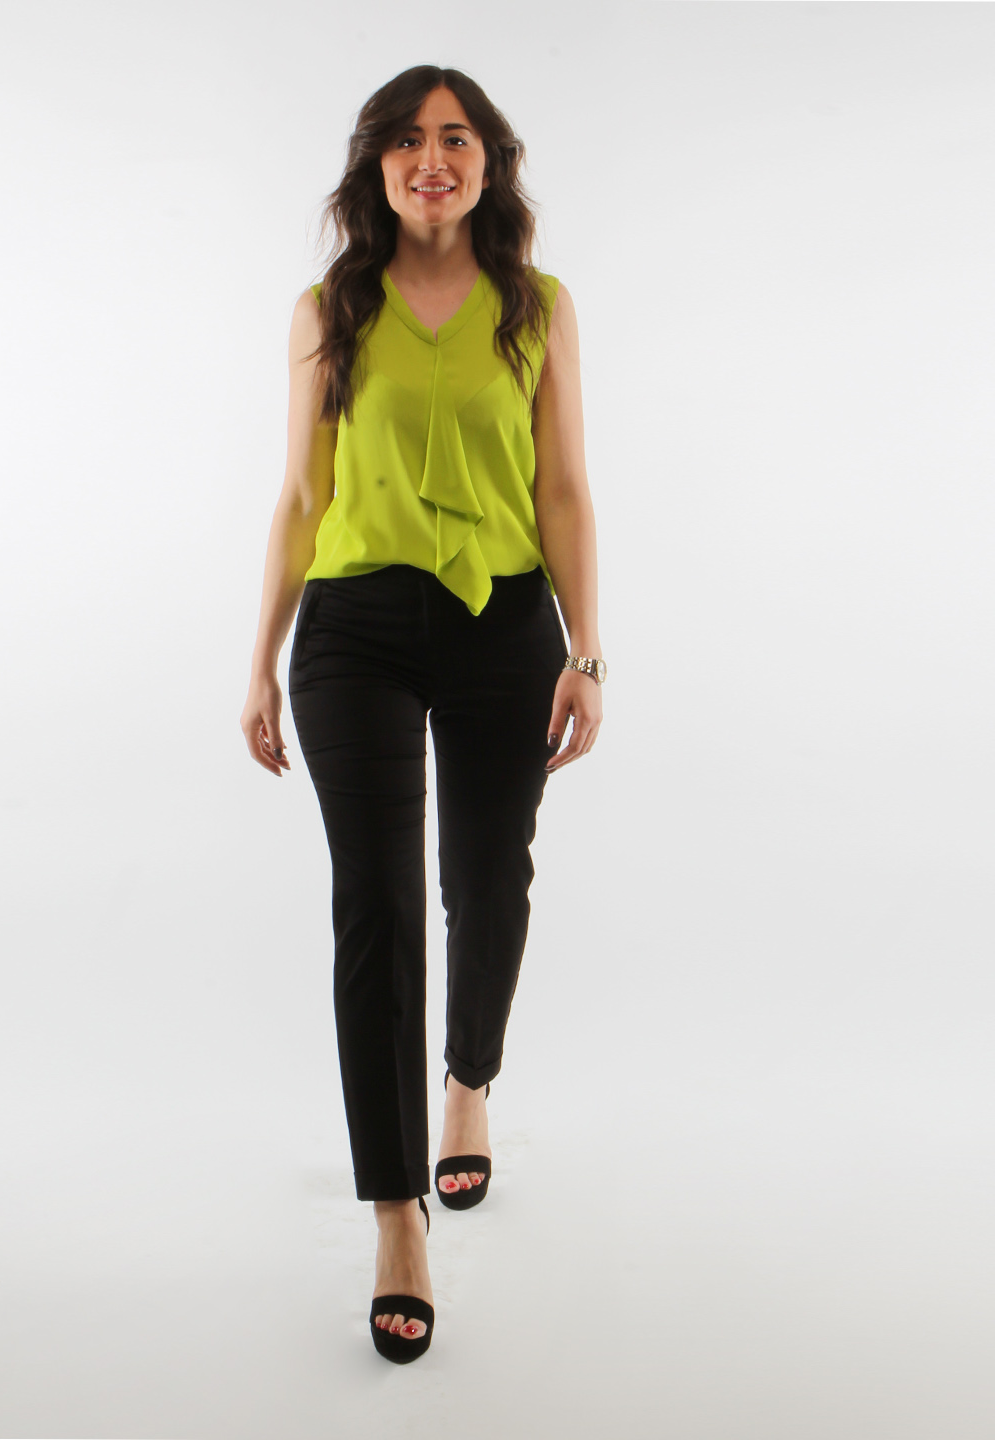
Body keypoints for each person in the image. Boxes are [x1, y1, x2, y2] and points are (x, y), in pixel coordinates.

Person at [239, 64, 603, 1364]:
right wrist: (261, 658)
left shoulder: (538, 306)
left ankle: (469, 1085)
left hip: (506, 622)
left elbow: (563, 488)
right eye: (404, 141)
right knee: (380, 906)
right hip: (357, 628)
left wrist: (588, 650)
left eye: (453, 138)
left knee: (488, 879)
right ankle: (397, 1214)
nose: (429, 158)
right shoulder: (327, 310)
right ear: (376, 168)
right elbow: (301, 494)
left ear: (489, 162)